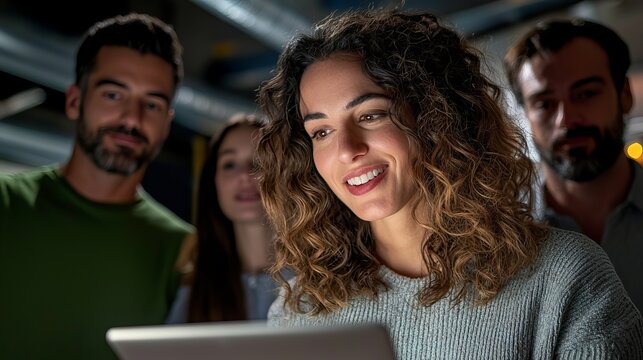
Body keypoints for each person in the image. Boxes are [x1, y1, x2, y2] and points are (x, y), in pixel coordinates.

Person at [255, 9, 643, 359]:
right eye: (320, 132)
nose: (346, 150)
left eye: (371, 115)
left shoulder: (564, 276)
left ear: (437, 120)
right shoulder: (299, 310)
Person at [0, 13, 194, 360]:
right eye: (113, 95)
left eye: (151, 104)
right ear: (75, 101)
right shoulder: (6, 202)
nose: (132, 119)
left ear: (166, 124)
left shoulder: (182, 249)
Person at [503, 18, 643, 311]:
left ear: (625, 95)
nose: (566, 120)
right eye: (544, 103)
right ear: (526, 115)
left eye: (586, 94)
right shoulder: (506, 237)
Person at [166, 113, 280, 323]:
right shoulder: (196, 292)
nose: (245, 175)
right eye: (229, 164)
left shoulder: (323, 279)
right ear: (214, 183)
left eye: (260, 162)